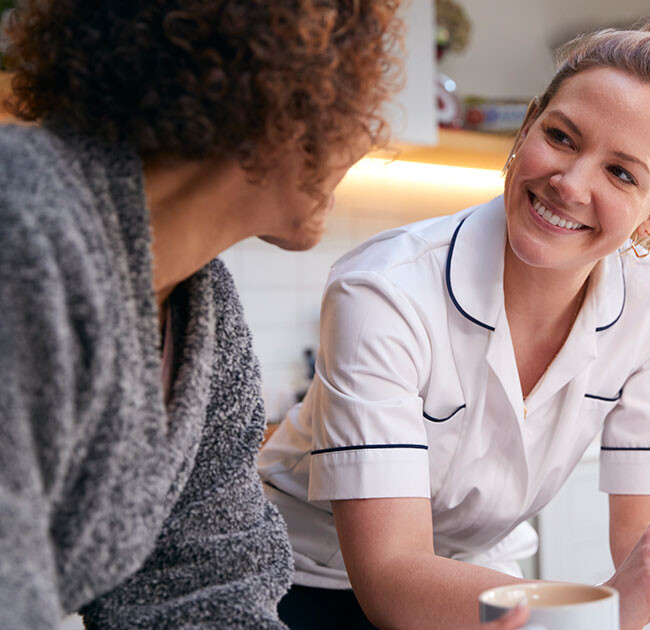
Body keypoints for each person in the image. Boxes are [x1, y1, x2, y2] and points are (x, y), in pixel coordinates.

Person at [258, 6, 650, 629]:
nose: (570, 183)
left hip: (483, 577)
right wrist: (605, 607)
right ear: (526, 130)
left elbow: (646, 547)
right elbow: (391, 575)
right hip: (306, 581)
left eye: (621, 173)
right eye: (561, 137)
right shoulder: (386, 288)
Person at [0, 1, 404, 627]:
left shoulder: (205, 314)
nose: (362, 140)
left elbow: (207, 586)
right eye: (355, 99)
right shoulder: (21, 228)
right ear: (286, 99)